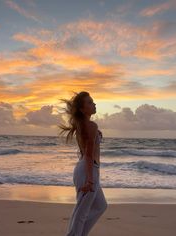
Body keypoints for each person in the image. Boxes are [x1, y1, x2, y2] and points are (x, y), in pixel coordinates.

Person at [57, 91, 108, 236]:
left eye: (93, 101)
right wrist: (90, 179)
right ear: (82, 109)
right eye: (90, 102)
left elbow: (87, 148)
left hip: (87, 168)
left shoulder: (84, 125)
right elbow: (89, 154)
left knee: (101, 206)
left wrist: (96, 133)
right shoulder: (90, 125)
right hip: (88, 170)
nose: (94, 104)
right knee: (81, 213)